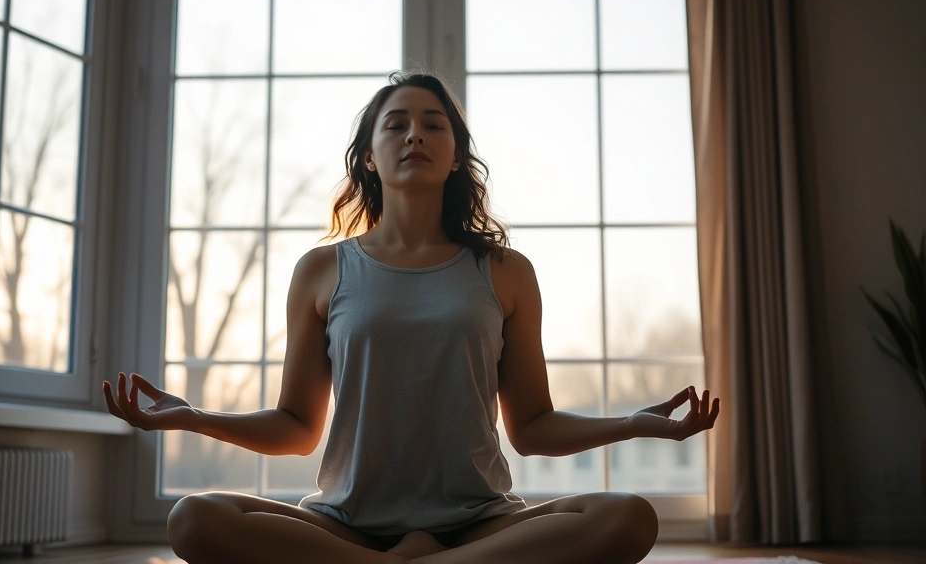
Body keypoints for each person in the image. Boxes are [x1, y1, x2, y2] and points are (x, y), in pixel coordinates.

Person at [103, 71, 720, 564]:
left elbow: (531, 427)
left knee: (628, 516)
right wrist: (193, 418)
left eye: (433, 125)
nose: (414, 135)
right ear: (369, 157)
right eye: (394, 125)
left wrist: (636, 426)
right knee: (194, 519)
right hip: (347, 526)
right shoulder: (321, 270)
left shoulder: (505, 270)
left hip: (480, 525)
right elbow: (295, 426)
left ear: (455, 156)